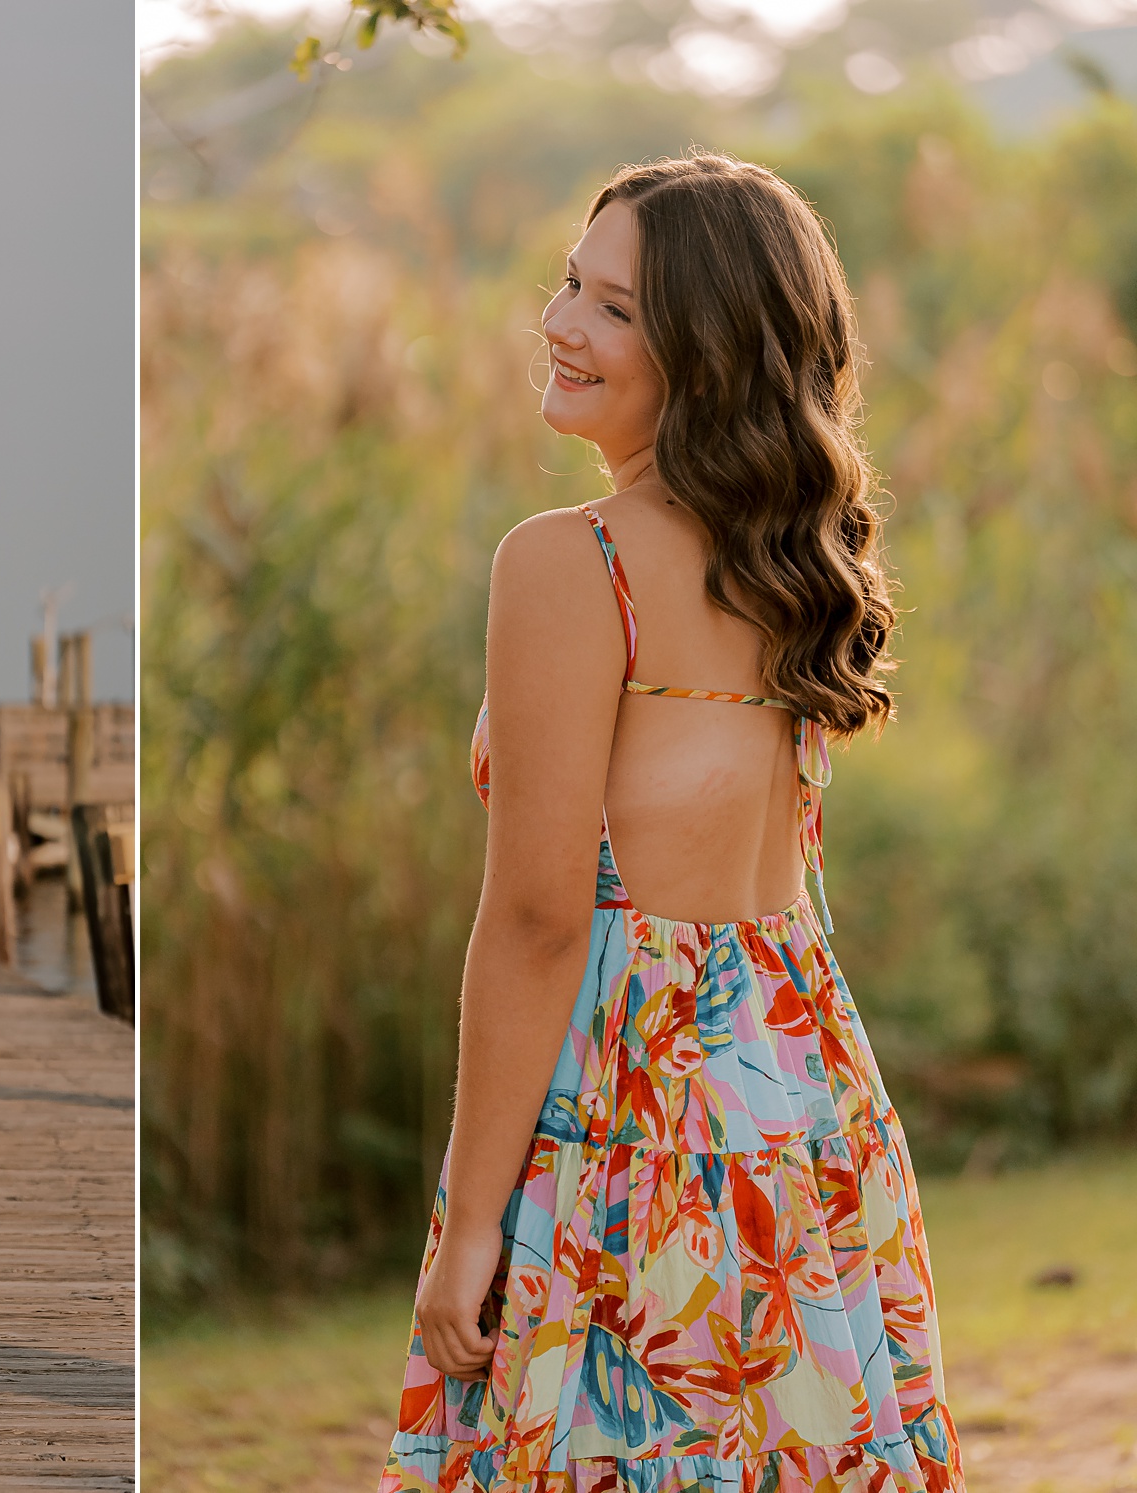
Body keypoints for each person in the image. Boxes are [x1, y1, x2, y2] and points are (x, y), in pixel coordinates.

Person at [379, 155, 962, 1493]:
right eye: (570, 288)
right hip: (807, 1104)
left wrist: (473, 1226)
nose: (562, 326)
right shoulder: (790, 566)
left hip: (638, 1116)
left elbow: (537, 919)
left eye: (617, 309)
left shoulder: (567, 562)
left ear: (707, 354)